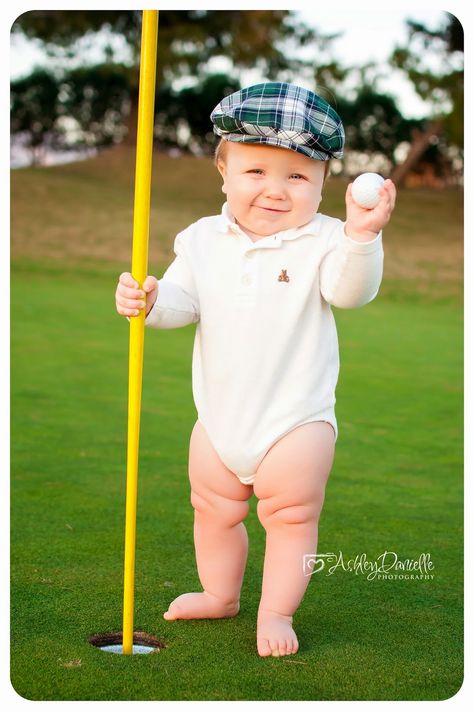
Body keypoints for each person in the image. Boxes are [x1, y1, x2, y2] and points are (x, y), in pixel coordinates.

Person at [115, 82, 396, 657]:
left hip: (295, 421)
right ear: (223, 171)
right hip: (219, 419)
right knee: (212, 509)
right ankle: (220, 593)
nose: (274, 190)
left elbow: (350, 293)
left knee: (290, 516)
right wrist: (149, 300)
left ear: (322, 183)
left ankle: (276, 611)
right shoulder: (201, 240)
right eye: (255, 172)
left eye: (297, 177)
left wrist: (362, 237)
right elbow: (181, 303)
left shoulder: (326, 240)